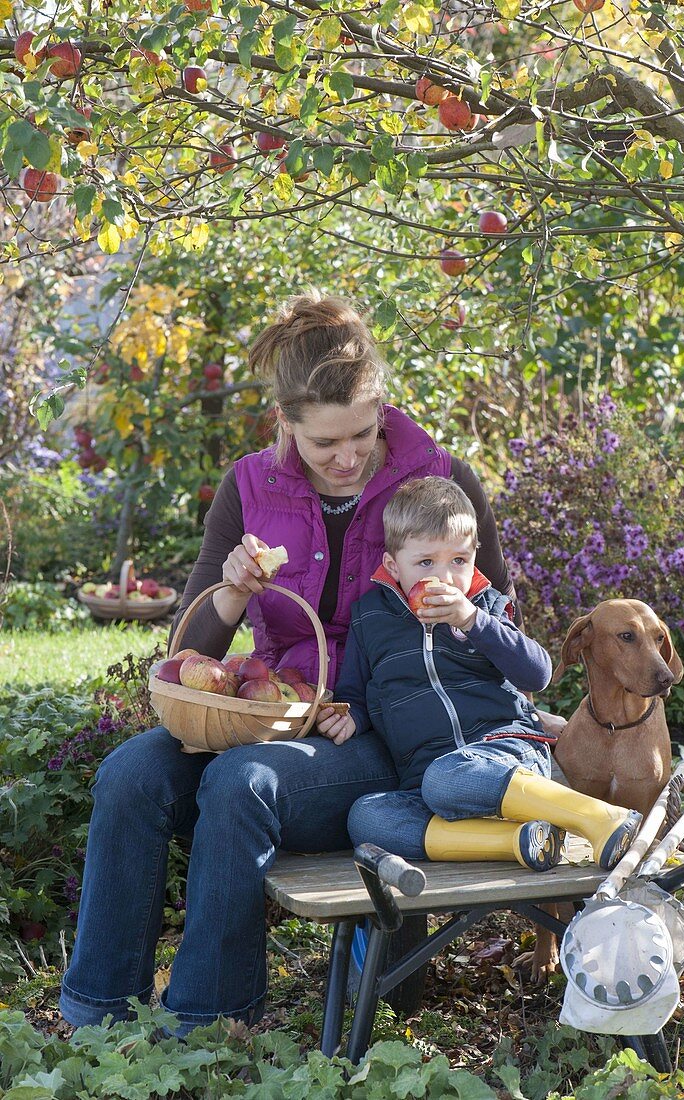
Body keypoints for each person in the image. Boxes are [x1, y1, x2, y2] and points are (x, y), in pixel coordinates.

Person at [59, 291, 535, 1036]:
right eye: (324, 445)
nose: (347, 459)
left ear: (381, 410)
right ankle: (96, 1014)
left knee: (240, 783)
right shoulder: (248, 488)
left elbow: (500, 630)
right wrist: (231, 591)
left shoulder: (440, 482)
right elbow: (191, 654)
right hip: (269, 710)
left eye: (362, 435)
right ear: (284, 425)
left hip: (383, 734)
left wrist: (439, 628)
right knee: (130, 775)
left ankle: (209, 1023)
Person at [334, 477, 642, 873]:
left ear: (474, 558)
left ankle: (601, 818)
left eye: (458, 561)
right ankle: (520, 840)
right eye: (426, 562)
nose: (445, 577)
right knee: (367, 817)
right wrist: (350, 716)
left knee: (445, 778)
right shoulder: (371, 618)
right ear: (393, 565)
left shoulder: (487, 608)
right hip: (427, 779)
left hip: (504, 754)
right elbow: (355, 691)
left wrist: (475, 621)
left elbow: (537, 673)